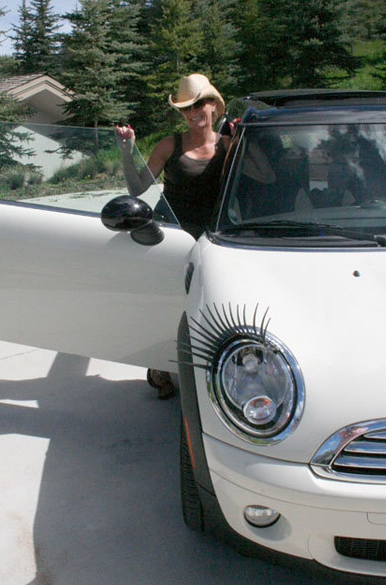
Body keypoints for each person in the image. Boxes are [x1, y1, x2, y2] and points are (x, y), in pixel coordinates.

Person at [115, 73, 230, 398]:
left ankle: (215, 370)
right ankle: (159, 366)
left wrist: (247, 139)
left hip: (212, 241)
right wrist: (128, 150)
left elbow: (263, 177)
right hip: (173, 238)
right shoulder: (170, 144)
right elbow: (137, 187)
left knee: (210, 305)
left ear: (213, 105)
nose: (192, 112)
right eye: (185, 108)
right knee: (167, 305)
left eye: (198, 104)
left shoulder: (228, 146)